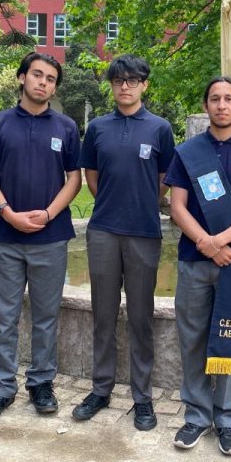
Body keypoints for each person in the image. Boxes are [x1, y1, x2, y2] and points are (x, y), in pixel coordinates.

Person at [164, 76, 231, 455]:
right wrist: (206, 244)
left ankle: (227, 419)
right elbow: (176, 206)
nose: (222, 105)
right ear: (207, 105)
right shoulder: (188, 152)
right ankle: (196, 415)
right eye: (215, 99)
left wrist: (220, 242)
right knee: (192, 339)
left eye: (229, 99)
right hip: (195, 261)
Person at [0, 52, 82, 421]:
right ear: (21, 78)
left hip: (50, 238)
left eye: (50, 79)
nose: (43, 83)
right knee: (3, 315)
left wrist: (50, 213)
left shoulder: (66, 127)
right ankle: (1, 388)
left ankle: (41, 382)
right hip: (5, 236)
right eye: (37, 75)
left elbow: (75, 179)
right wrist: (7, 213)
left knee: (46, 315)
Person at [72, 54, 175, 430]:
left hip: (144, 232)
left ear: (144, 85)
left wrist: (144, 200)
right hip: (103, 230)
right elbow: (92, 178)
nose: (125, 87)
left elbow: (166, 177)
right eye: (119, 81)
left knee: (140, 316)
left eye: (133, 80)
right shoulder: (97, 128)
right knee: (102, 313)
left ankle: (142, 397)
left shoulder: (161, 128)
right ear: (112, 86)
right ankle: (100, 389)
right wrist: (113, 204)